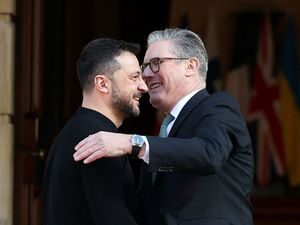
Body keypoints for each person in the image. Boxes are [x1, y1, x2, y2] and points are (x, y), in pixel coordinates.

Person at [73, 28, 254, 225]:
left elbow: (210, 154)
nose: (146, 75)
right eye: (145, 67)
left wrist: (132, 143)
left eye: (156, 63)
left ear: (191, 66)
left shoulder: (218, 106)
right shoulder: (164, 132)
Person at [43, 38, 148, 225]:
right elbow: (114, 218)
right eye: (134, 77)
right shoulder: (101, 141)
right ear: (102, 84)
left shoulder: (74, 131)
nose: (143, 87)